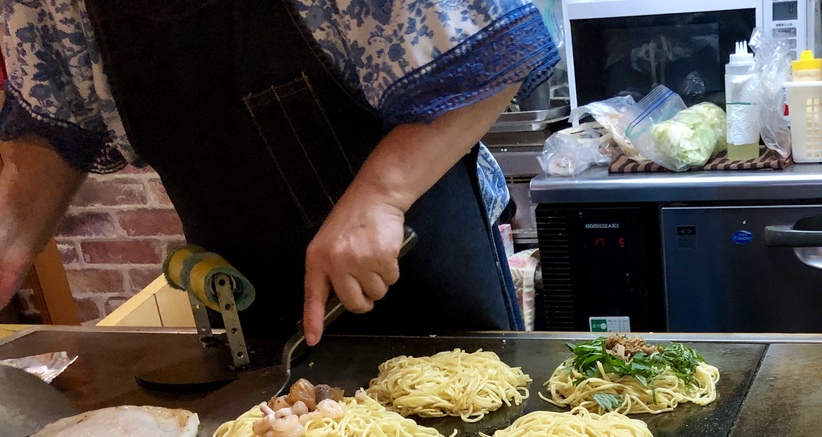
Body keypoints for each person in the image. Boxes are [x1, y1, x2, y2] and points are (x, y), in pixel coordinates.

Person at [0, 1, 559, 347]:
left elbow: (497, 45)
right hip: (247, 302)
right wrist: (9, 240)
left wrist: (382, 195)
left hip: (416, 265)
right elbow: (53, 121)